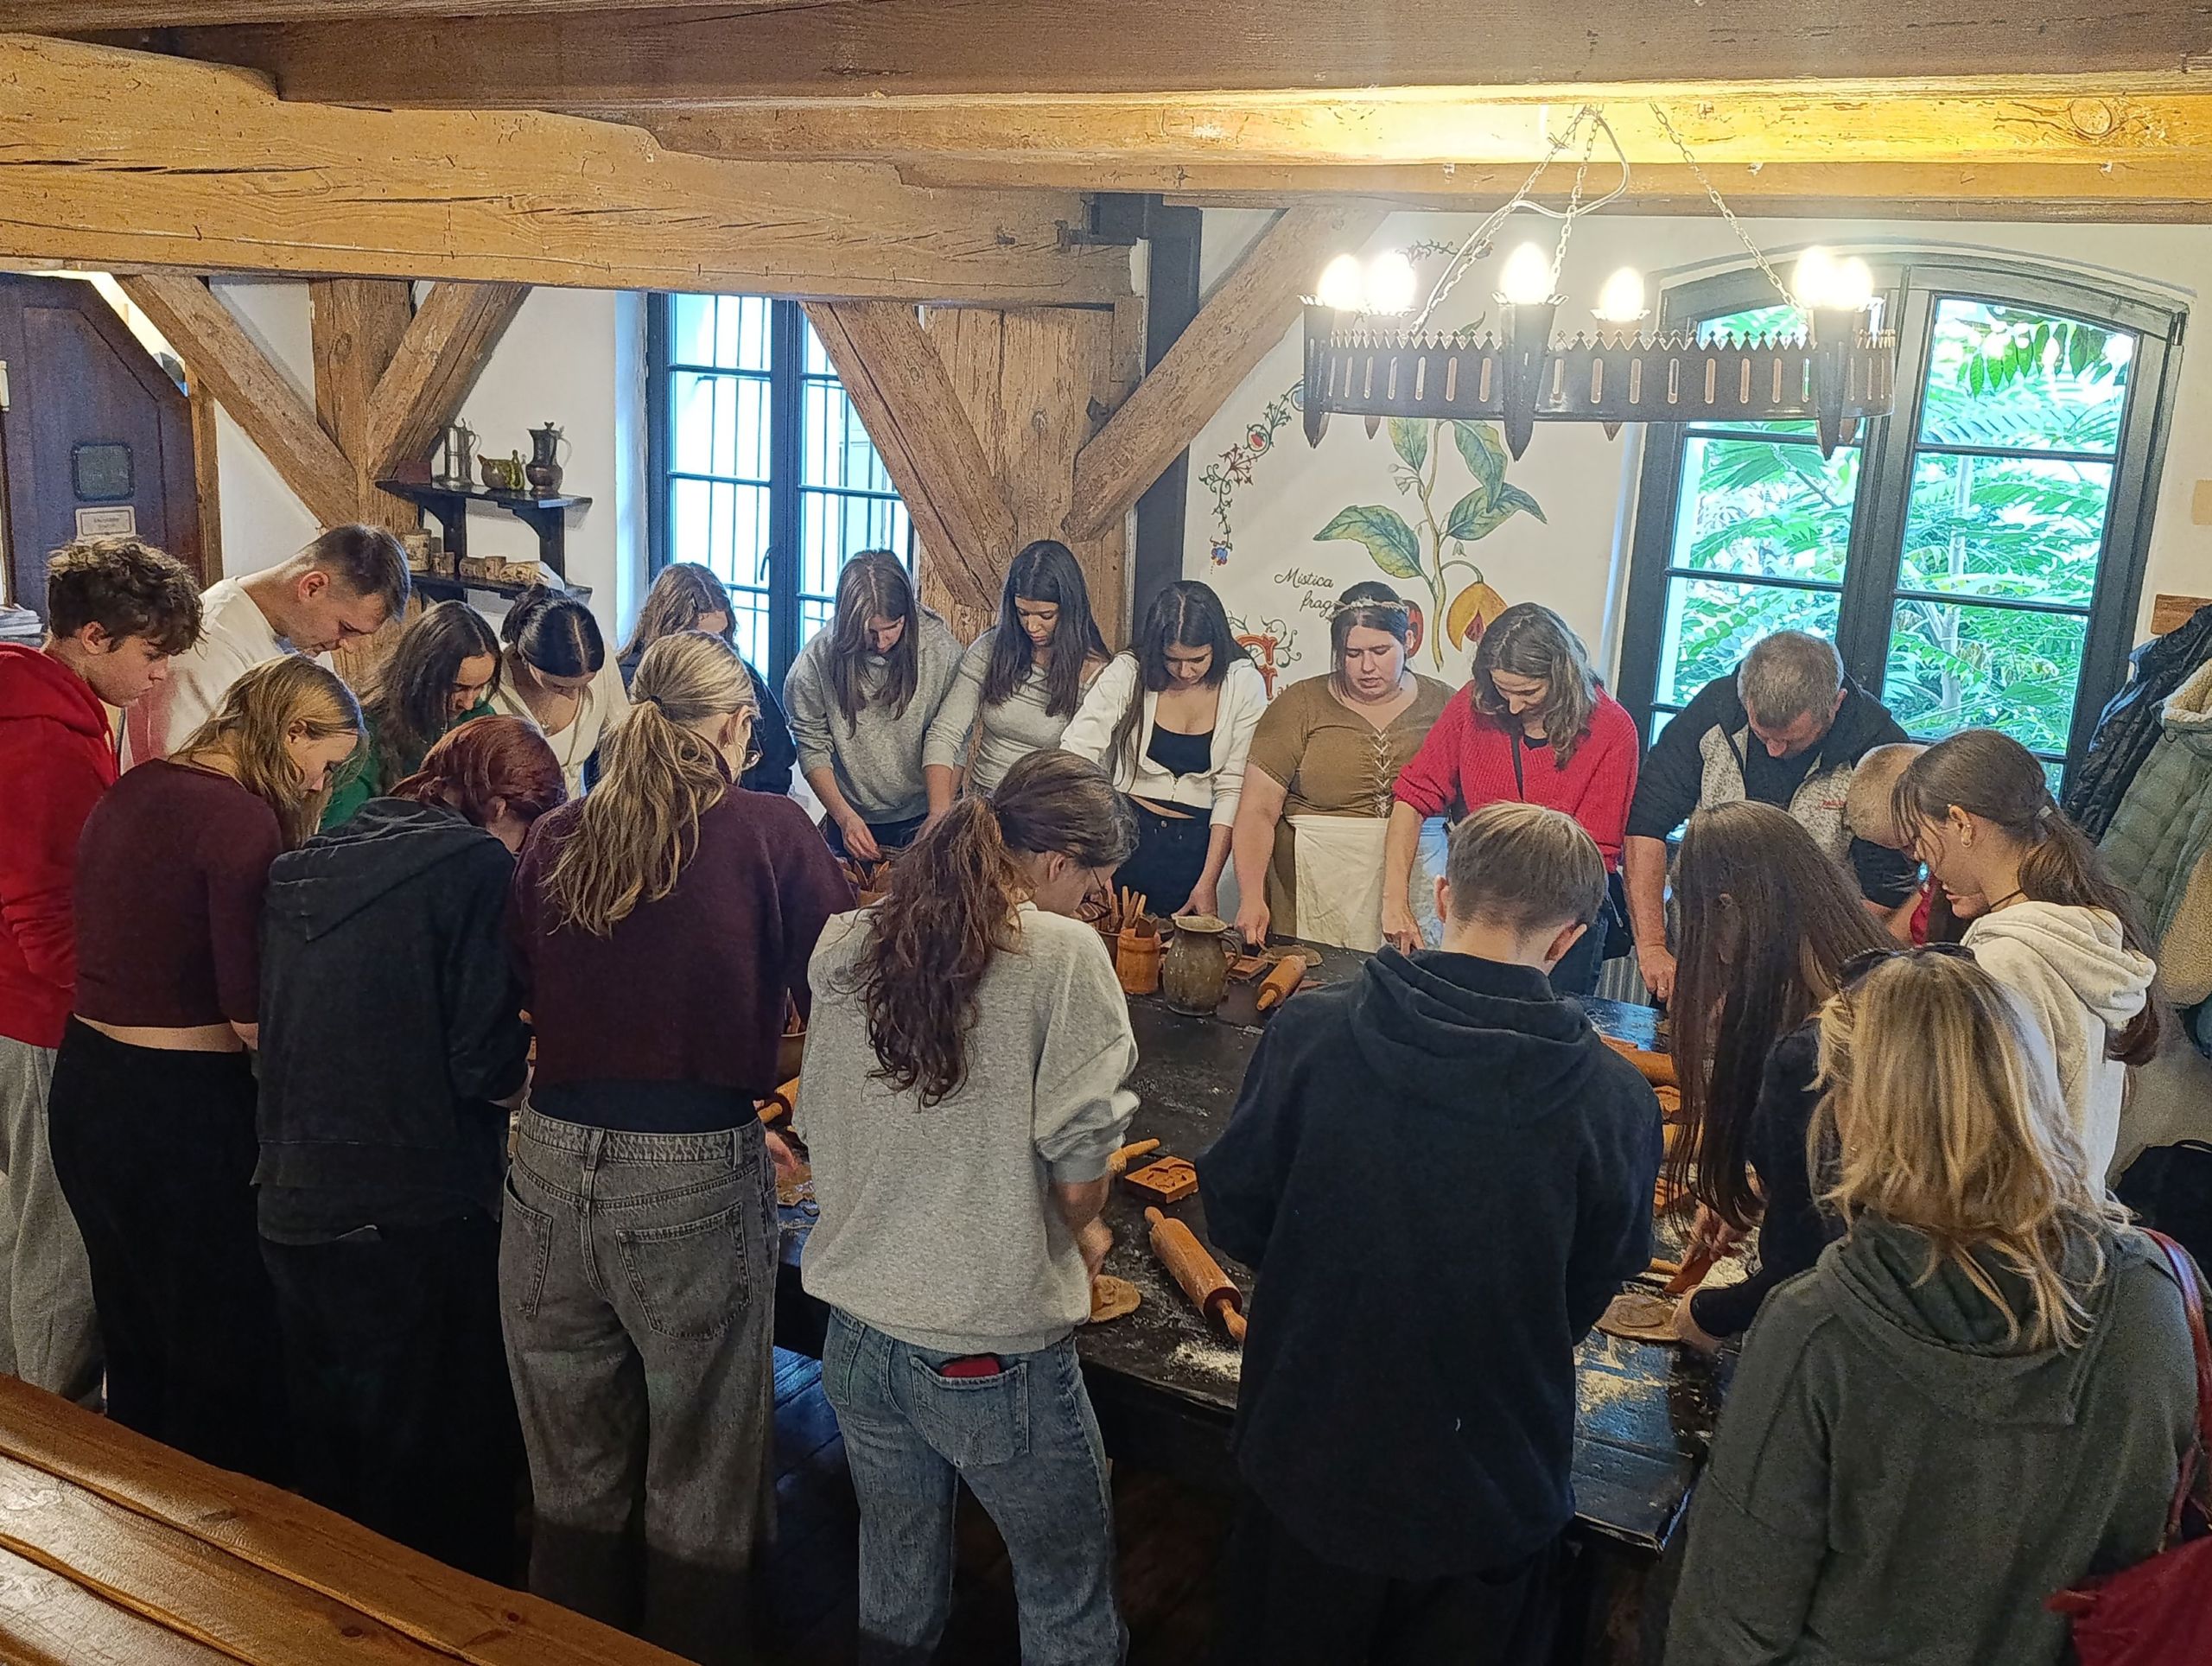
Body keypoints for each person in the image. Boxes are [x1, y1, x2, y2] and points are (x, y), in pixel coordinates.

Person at [1199, 803, 1662, 1666]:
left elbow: (1236, 1211)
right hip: (1485, 1481)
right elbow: (1589, 1288)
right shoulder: (1617, 1101)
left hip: (1310, 1449)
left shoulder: (1309, 1031)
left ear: (1443, 894)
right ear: (1568, 938)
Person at [1667, 951, 2203, 1666]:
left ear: (1852, 1112)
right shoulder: (2156, 1294)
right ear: (2029, 1085)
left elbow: (1726, 1629)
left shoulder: (1818, 1327)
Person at [505, 631, 850, 1661]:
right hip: (691, 1163)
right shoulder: (770, 829)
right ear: (737, 725)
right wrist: (783, 1118)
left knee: (570, 1469)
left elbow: (528, 992)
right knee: (703, 1465)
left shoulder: (557, 833)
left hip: (547, 1159)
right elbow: (845, 993)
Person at [798, 750, 1138, 1664]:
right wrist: (1086, 1225)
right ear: (1056, 861)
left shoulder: (847, 939)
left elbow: (818, 1120)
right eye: (1094, 886)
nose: (1093, 906)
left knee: (895, 1585)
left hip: (857, 1334)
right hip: (987, 1349)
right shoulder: (1061, 954)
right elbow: (1078, 1169)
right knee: (1067, 1599)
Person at [257, 716, 563, 1581]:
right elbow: (482, 1062)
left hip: (291, 1192)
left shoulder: (308, 857)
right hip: (411, 1204)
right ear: (501, 806)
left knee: (333, 1465)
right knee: (442, 1478)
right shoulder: (475, 866)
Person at [48, 656, 360, 1479]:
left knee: (134, 1331)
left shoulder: (138, 787)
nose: (320, 785)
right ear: (292, 732)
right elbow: (248, 1010)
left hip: (87, 1085)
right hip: (177, 1109)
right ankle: (215, 1539)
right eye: (324, 763)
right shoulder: (238, 820)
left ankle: (139, 1520)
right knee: (217, 1344)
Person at [0, 537, 200, 1404]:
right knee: (61, 1241)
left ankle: (27, 1424)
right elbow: (45, 915)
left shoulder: (47, 703)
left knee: (23, 1230)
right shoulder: (42, 738)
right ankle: (60, 1442)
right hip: (41, 1021)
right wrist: (116, 1012)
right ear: (91, 635)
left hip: (23, 1012)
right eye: (152, 653)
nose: (161, 675)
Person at [1662, 802, 1891, 1354]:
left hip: (1857, 1338)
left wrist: (1711, 1314)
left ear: (1728, 909)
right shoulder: (1883, 988)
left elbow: (1812, 1264)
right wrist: (1769, 1186)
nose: (1716, 958)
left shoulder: (1814, 1054)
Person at [1892, 728, 2159, 1181]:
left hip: (2021, 1217)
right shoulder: (2080, 931)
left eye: (1921, 837)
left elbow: (1984, 1138)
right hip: (2069, 1211)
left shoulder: (2004, 961)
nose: (1921, 857)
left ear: (1961, 823)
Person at [1623, 630, 1917, 1002]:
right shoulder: (1713, 711)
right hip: (1700, 954)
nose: (1775, 751)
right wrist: (1652, 946)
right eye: (1763, 735)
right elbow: (1647, 825)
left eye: (1791, 739)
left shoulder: (1875, 748)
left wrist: (1798, 964)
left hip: (1809, 973)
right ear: (1744, 697)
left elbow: (1885, 892)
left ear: (1836, 703)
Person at [1383, 603, 1640, 992]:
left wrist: (1527, 937)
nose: (1514, 706)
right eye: (1504, 691)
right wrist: (1394, 901)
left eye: (1529, 692)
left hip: (1561, 913)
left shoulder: (1612, 728)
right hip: (1481, 906)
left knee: (1543, 1021)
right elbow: (1412, 798)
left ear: (1562, 675)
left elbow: (1595, 856)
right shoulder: (1474, 703)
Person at [1230, 583, 1454, 950]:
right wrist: (1251, 897)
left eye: (1380, 651)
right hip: (1316, 886)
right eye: (1352, 654)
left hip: (1420, 880)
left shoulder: (1445, 704)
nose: (1367, 667)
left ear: (1409, 641)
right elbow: (1257, 810)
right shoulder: (1299, 705)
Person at [1059, 580, 1266, 919]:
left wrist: (1208, 882)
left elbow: (1232, 788)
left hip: (1201, 847)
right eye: (1172, 660)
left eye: (1197, 659)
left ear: (1217, 646)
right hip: (1124, 839)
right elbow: (1077, 752)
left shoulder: (1244, 682)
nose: (1185, 672)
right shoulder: (1130, 670)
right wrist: (1093, 856)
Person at [122, 524, 409, 766]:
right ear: (312, 587)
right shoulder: (209, 644)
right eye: (346, 628)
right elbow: (188, 777)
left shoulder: (308, 638)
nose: (349, 646)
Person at [785, 551, 963, 860]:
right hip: (851, 814)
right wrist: (844, 817)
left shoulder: (941, 651)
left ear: (907, 614)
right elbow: (811, 745)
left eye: (892, 627)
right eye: (869, 632)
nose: (881, 642)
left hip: (927, 808)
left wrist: (941, 814)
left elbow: (955, 740)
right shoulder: (814, 662)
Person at [924, 540, 1111, 802]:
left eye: (1045, 616)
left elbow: (1093, 770)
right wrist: (939, 812)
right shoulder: (990, 648)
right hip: (985, 798)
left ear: (1070, 611)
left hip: (1048, 808)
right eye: (1023, 613)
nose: (1031, 626)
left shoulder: (1097, 674)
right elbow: (945, 733)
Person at [617, 562, 795, 796]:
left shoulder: (743, 677)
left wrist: (755, 810)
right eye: (701, 638)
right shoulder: (629, 682)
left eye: (720, 637)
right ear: (670, 633)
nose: (715, 648)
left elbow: (778, 762)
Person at [320, 599, 500, 829]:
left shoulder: (479, 719)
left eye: (480, 687)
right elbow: (340, 831)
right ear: (422, 675)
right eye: (457, 688)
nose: (468, 703)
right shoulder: (368, 730)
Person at [487, 583, 628, 798]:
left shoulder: (603, 662)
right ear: (526, 657)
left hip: (573, 814)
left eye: (583, 685)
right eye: (558, 686)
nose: (572, 695)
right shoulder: (492, 683)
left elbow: (621, 738)